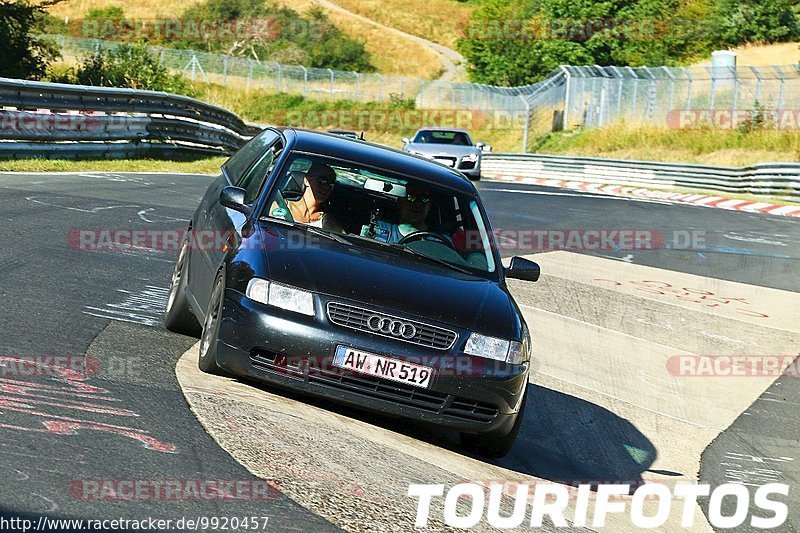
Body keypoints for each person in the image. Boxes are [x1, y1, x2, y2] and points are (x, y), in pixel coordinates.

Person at [281, 161, 344, 233]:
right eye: (322, 181)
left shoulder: (327, 221)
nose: (326, 188)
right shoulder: (281, 205)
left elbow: (343, 241)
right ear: (307, 180)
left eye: (330, 185)